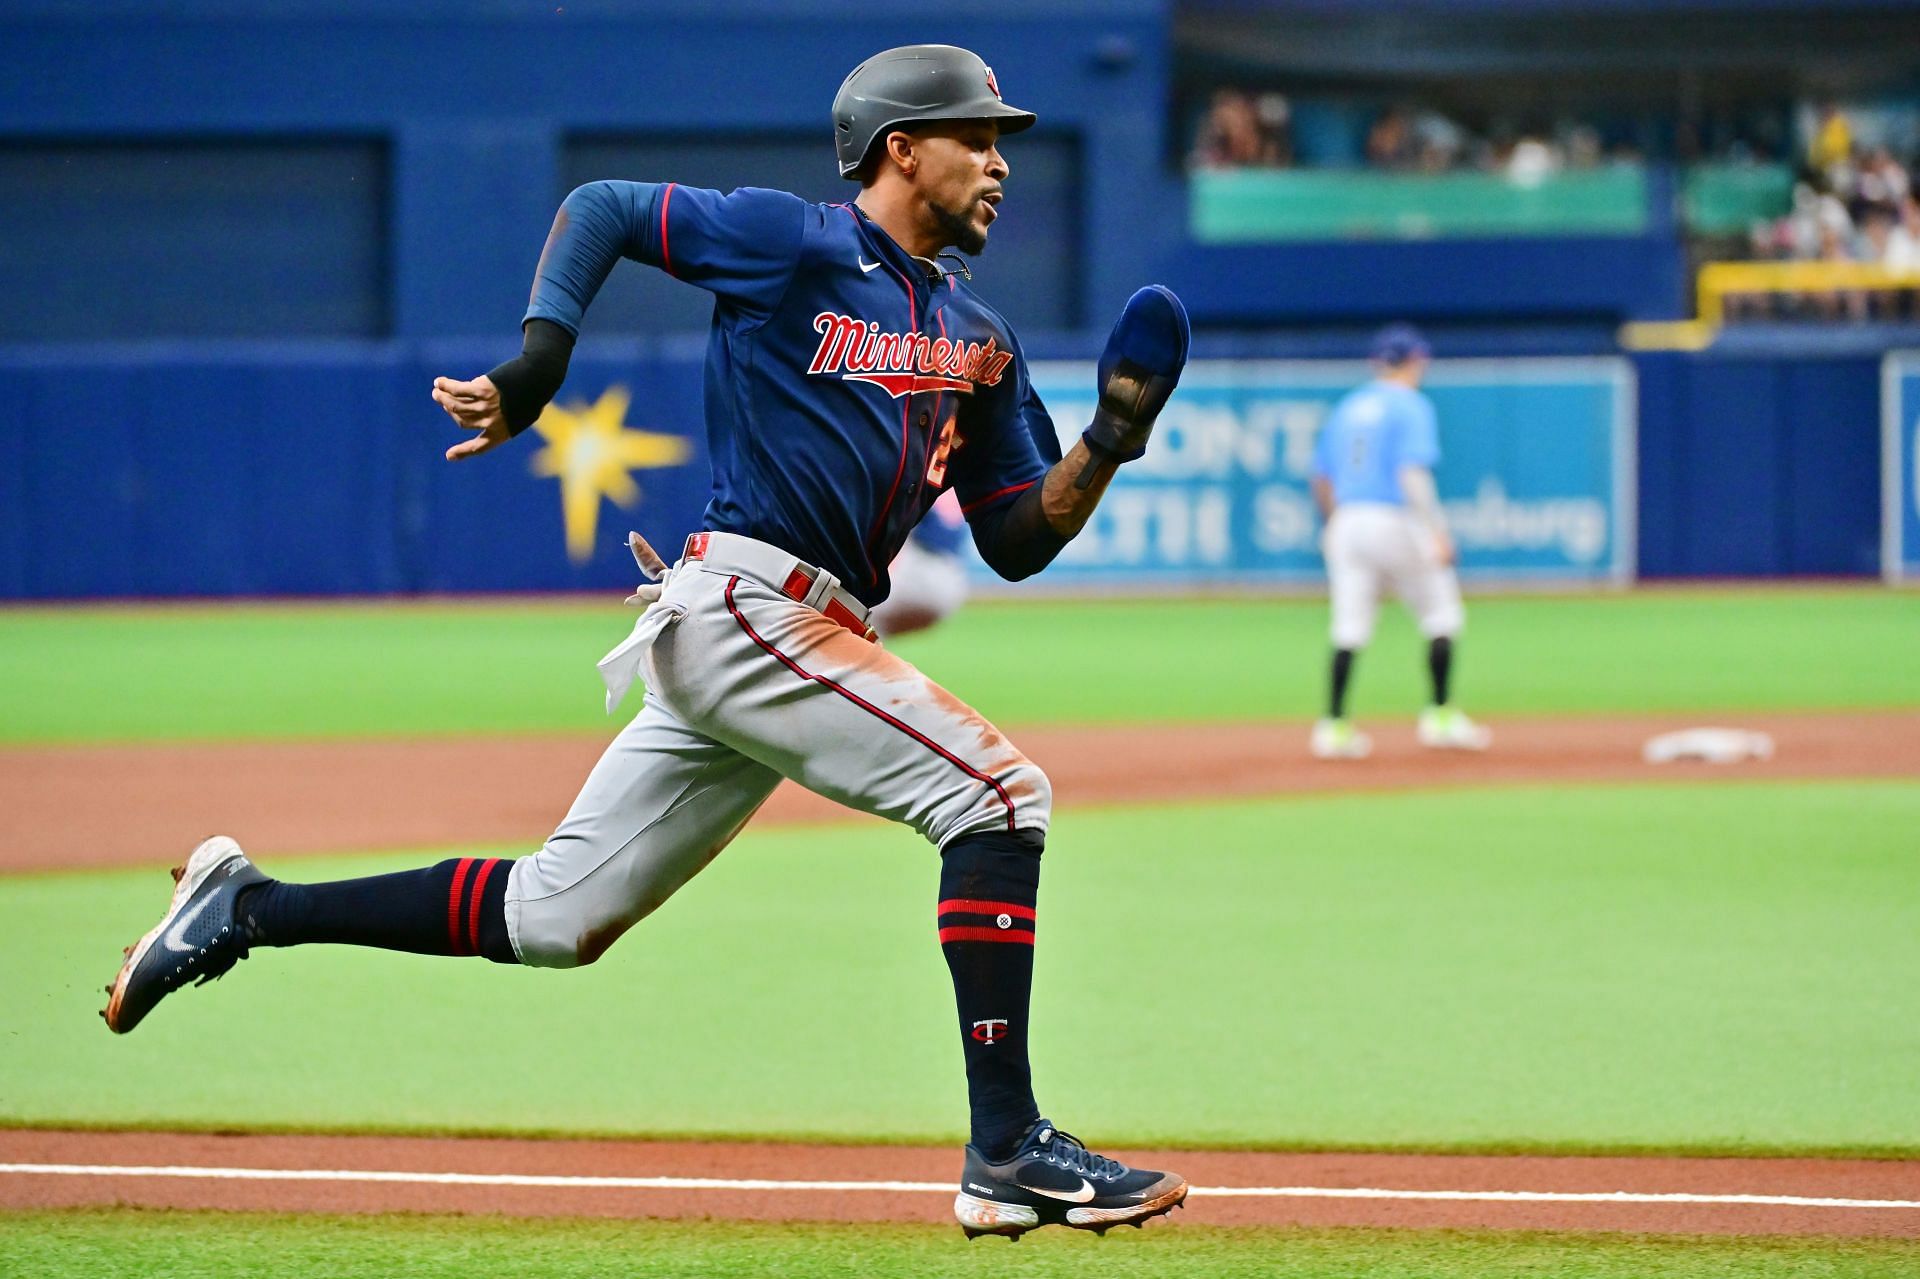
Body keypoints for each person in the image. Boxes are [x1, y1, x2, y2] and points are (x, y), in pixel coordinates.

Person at [100, 45, 1192, 1240]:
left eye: (1001, 142)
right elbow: (604, 208)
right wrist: (540, 362)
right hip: (747, 608)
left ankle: (249, 908)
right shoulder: (801, 245)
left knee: (554, 917)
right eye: (977, 137)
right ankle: (1007, 1150)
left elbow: (1018, 538)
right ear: (900, 147)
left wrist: (1114, 436)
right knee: (999, 794)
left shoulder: (979, 334)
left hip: (794, 630)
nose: (998, 163)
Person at [1308, 324, 1489, 760]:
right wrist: (1437, 531)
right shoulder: (1410, 404)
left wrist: (1336, 525)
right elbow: (1412, 474)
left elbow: (1322, 478)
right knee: (1442, 614)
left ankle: (1333, 726)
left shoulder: (1348, 406)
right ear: (1414, 362)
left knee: (1349, 627)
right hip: (1394, 517)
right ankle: (1440, 717)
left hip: (1348, 520)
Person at [869, 490, 973, 640]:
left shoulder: (920, 475)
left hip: (918, 572)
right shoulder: (955, 481)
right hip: (954, 580)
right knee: (867, 629)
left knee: (850, 615)